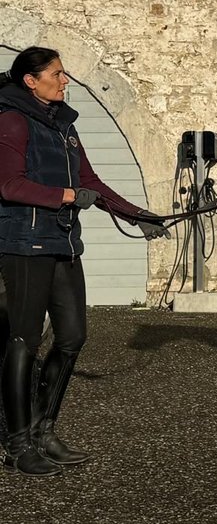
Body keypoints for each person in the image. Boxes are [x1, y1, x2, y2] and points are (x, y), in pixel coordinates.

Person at [0, 46, 166, 477]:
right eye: (56, 74)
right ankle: (18, 445)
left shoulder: (64, 128)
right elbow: (8, 184)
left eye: (64, 73)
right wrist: (67, 197)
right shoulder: (12, 121)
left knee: (72, 337)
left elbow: (91, 181)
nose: (65, 80)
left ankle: (44, 431)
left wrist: (139, 216)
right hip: (24, 244)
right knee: (23, 340)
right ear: (31, 81)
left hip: (64, 244)